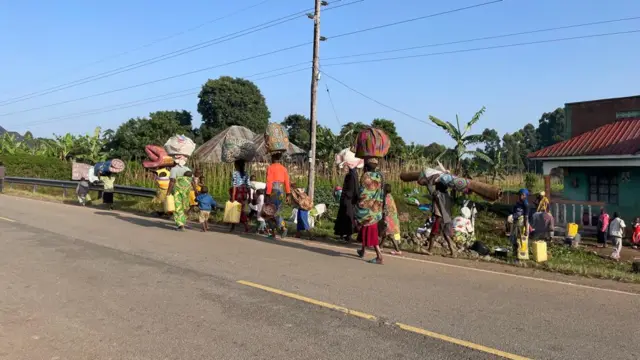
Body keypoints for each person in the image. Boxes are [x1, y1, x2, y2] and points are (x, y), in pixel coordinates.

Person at [355, 158, 385, 264]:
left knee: (370, 231)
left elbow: (363, 191)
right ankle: (362, 250)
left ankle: (379, 256)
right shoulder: (379, 176)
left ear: (366, 166)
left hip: (367, 209)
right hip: (375, 207)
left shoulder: (366, 176)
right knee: (366, 229)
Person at [421, 180, 455, 256]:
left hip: (440, 217)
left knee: (433, 234)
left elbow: (431, 191)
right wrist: (454, 190)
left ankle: (430, 250)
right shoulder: (448, 196)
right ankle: (453, 252)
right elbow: (453, 200)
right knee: (446, 235)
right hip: (448, 217)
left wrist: (428, 183)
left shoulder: (438, 194)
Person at [265, 152, 291, 238]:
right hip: (281, 191)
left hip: (273, 190)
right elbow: (287, 182)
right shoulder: (284, 168)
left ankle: (278, 230)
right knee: (277, 211)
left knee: (268, 212)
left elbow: (269, 182)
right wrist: (288, 194)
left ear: (272, 158)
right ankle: (279, 228)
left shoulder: (270, 168)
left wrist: (268, 194)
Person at [334, 159, 360, 242]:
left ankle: (346, 234)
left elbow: (354, 188)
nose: (345, 168)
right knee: (346, 216)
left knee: (347, 216)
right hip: (348, 198)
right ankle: (345, 234)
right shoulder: (353, 174)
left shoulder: (351, 175)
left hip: (348, 198)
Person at [380, 183, 402, 255]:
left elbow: (385, 210)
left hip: (389, 218)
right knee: (386, 233)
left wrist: (383, 218)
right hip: (394, 217)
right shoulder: (390, 196)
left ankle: (397, 250)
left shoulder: (386, 198)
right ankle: (380, 246)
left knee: (390, 234)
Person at [229, 160, 250, 233]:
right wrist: (249, 196)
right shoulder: (246, 173)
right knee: (239, 209)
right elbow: (248, 185)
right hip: (244, 193)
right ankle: (233, 227)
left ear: (237, 165)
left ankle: (246, 225)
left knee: (237, 210)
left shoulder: (235, 173)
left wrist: (233, 196)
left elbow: (234, 185)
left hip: (238, 193)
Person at [510, 188, 530, 261]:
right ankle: (515, 256)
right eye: (519, 195)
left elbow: (526, 217)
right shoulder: (518, 203)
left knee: (520, 241)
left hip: (521, 225)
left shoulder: (526, 205)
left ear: (525, 196)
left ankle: (520, 258)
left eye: (522, 195)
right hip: (516, 224)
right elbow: (514, 213)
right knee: (514, 240)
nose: (520, 196)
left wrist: (526, 229)